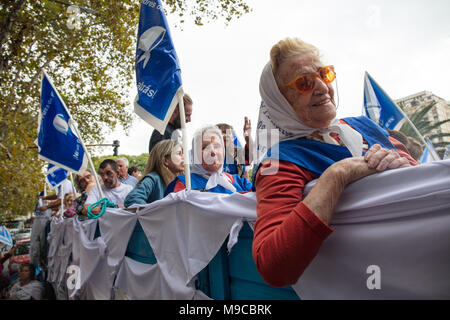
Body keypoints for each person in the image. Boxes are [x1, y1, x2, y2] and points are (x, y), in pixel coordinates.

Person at [251, 37, 418, 288]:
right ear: (280, 101)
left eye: (324, 74)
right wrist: (338, 174)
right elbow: (274, 267)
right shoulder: (279, 162)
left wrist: (403, 165)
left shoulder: (361, 125)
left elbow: (419, 172)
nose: (321, 87)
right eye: (304, 83)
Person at [165, 125, 253, 194]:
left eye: (216, 146)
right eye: (205, 147)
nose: (213, 152)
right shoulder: (183, 183)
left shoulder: (241, 183)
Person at [124, 140, 184, 207]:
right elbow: (132, 198)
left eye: (183, 153)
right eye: (179, 153)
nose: (184, 157)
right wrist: (156, 214)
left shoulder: (183, 180)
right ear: (165, 160)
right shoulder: (153, 178)